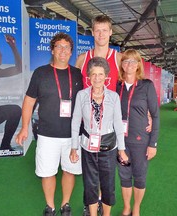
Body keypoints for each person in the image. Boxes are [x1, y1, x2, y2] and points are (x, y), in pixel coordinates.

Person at [15, 32, 83, 216]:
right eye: (59, 46)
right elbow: (29, 101)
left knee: (70, 171)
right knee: (47, 172)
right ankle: (50, 206)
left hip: (73, 136)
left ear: (71, 52)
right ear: (52, 50)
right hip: (46, 134)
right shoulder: (40, 73)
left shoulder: (78, 74)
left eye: (67, 48)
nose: (63, 51)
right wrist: (24, 127)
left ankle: (65, 204)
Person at [70, 57, 129, 216]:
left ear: (106, 76)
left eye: (100, 74)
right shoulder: (81, 95)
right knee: (90, 183)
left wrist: (121, 149)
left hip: (109, 147)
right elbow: (76, 121)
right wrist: (74, 147)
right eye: (93, 74)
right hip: (87, 146)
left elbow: (118, 124)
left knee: (108, 184)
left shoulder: (114, 97)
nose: (97, 78)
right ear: (89, 76)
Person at [116, 49, 160, 216]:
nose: (129, 65)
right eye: (126, 61)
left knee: (139, 176)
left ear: (138, 65)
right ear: (122, 64)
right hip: (121, 141)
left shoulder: (146, 85)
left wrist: (153, 143)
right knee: (124, 175)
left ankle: (136, 209)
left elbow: (155, 115)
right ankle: (126, 207)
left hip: (141, 141)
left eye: (134, 61)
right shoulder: (117, 86)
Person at [76, 14, 122, 91]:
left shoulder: (119, 58)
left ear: (110, 32)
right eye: (98, 31)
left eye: (104, 30)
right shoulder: (82, 59)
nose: (101, 34)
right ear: (93, 33)